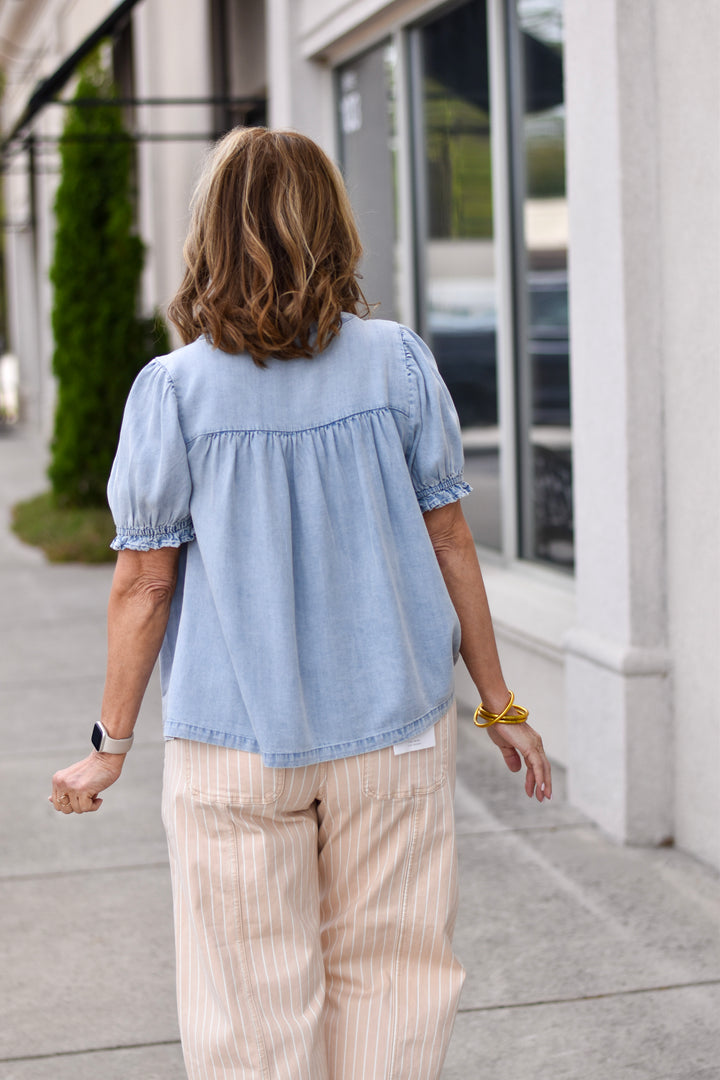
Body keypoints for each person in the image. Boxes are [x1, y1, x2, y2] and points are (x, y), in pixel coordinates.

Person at [50, 127, 552, 1080]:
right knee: (396, 987)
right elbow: (451, 543)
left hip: (233, 747)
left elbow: (144, 582)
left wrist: (107, 747)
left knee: (248, 1012)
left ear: (210, 237)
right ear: (333, 229)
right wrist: (500, 705)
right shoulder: (396, 364)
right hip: (392, 734)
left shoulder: (173, 392)